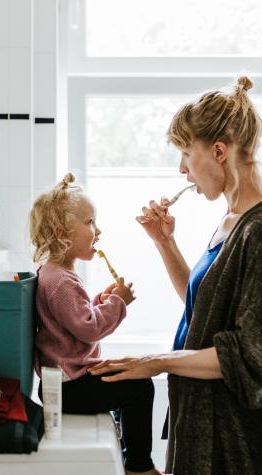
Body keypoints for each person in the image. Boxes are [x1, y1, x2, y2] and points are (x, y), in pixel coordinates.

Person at [89, 75, 262, 474]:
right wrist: (164, 243)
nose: (182, 169)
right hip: (200, 417)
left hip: (236, 437)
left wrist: (157, 361)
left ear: (219, 151)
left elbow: (249, 353)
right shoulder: (231, 220)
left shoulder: (258, 231)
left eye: (186, 152)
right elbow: (204, 308)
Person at [29, 173, 163, 475]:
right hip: (70, 387)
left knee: (128, 377)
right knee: (139, 387)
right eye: (90, 223)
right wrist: (118, 303)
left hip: (66, 383)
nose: (98, 230)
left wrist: (100, 299)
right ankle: (139, 466)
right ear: (62, 233)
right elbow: (88, 328)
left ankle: (129, 452)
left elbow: (72, 319)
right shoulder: (60, 281)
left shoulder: (55, 274)